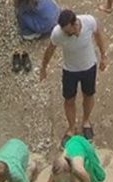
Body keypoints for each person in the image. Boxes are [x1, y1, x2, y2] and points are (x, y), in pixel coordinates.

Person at [41, 8, 107, 139]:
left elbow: (98, 35)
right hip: (70, 70)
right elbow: (50, 50)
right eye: (64, 32)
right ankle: (71, 127)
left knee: (88, 95)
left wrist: (104, 56)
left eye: (68, 31)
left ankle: (86, 121)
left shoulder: (89, 21)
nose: (65, 34)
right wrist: (43, 67)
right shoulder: (58, 33)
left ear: (75, 24)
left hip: (89, 67)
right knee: (69, 99)